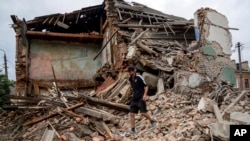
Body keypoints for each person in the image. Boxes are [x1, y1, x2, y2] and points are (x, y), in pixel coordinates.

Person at [127, 66, 156, 133]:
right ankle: (133, 129)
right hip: (134, 98)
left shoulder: (139, 77)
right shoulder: (130, 79)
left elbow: (146, 86)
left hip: (140, 98)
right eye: (129, 72)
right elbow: (133, 87)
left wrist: (145, 95)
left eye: (131, 71)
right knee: (131, 113)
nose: (130, 73)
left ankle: (152, 120)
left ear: (133, 71)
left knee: (143, 113)